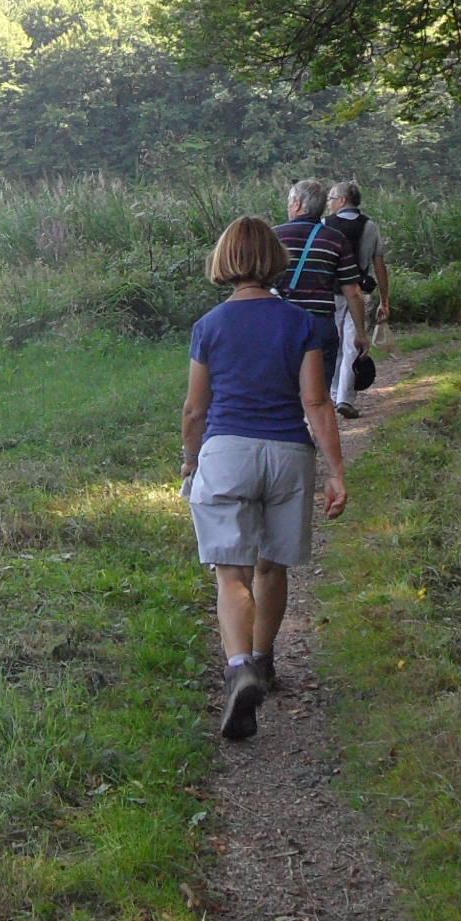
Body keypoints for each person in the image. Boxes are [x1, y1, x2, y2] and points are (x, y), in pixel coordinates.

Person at [181, 215, 349, 742]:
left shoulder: (208, 327)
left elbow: (194, 410)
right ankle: (263, 658)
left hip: (227, 452)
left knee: (230, 573)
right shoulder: (302, 323)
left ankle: (239, 669)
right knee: (272, 569)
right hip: (287, 456)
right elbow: (316, 401)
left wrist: (191, 460)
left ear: (224, 261)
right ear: (276, 259)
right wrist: (336, 471)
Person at [272, 178, 371, 418]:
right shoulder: (335, 239)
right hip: (319, 327)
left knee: (281, 390)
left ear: (297, 204)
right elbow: (353, 292)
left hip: (280, 326)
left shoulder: (274, 237)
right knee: (318, 397)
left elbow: (259, 284)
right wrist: (360, 333)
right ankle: (310, 442)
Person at [328, 180, 390, 412]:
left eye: (331, 199)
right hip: (359, 291)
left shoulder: (325, 225)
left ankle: (334, 394)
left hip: (331, 292)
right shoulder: (370, 226)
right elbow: (380, 265)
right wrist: (385, 299)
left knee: (333, 343)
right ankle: (345, 399)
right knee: (354, 344)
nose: (329, 203)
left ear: (342, 200)